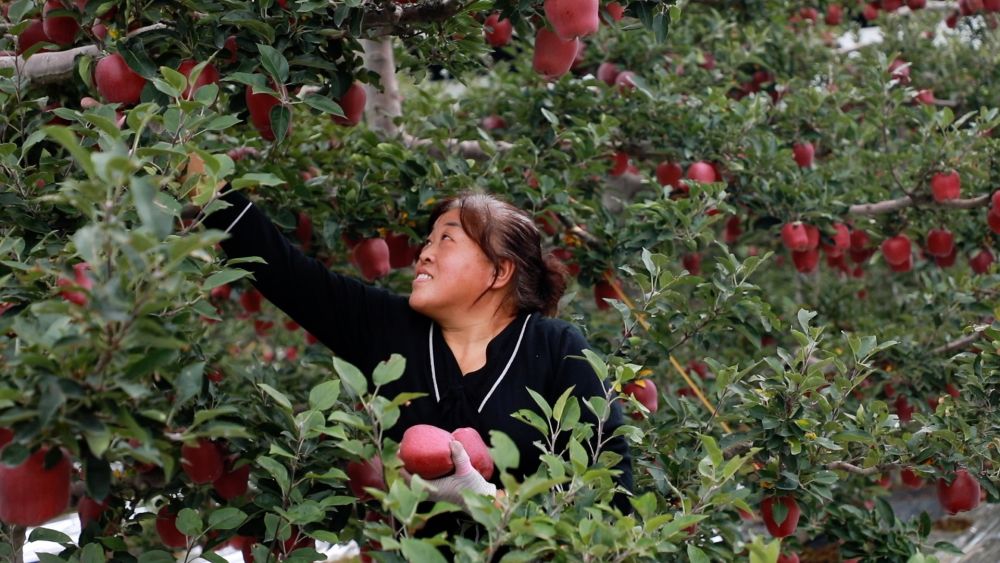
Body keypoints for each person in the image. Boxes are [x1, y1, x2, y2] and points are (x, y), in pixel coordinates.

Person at [200, 184, 634, 524]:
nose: (423, 253)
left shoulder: (556, 348)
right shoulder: (391, 329)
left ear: (499, 271)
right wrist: (208, 186)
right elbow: (285, 273)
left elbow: (612, 500)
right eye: (427, 240)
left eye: (446, 239)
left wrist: (490, 500)